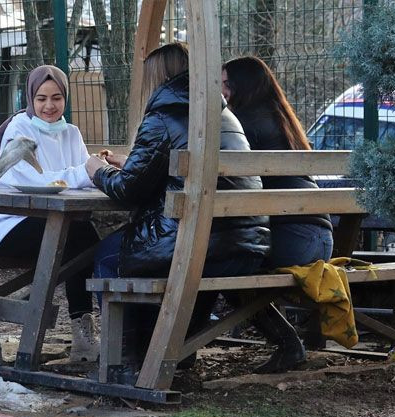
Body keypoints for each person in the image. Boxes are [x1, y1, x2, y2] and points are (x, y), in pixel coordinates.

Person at [86, 43, 271, 374]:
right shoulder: (222, 114)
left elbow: (128, 190)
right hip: (246, 243)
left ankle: (126, 361)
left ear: (159, 77)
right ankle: (178, 354)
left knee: (109, 256)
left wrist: (95, 170)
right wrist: (132, 164)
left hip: (201, 246)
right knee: (149, 253)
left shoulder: (162, 115)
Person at [222, 56, 334, 372]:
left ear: (242, 86)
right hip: (319, 239)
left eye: (226, 84)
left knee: (225, 266)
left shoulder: (242, 123)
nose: (221, 91)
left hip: (294, 241)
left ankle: (288, 345)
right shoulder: (280, 117)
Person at [0, 65, 101, 362]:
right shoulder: (19, 129)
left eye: (57, 97)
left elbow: (82, 178)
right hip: (12, 224)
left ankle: (81, 330)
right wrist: (83, 173)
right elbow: (26, 179)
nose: (49, 106)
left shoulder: (71, 133)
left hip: (56, 222)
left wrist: (98, 169)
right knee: (82, 238)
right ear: (30, 99)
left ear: (66, 98)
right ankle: (80, 331)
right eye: (41, 98)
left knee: (84, 238)